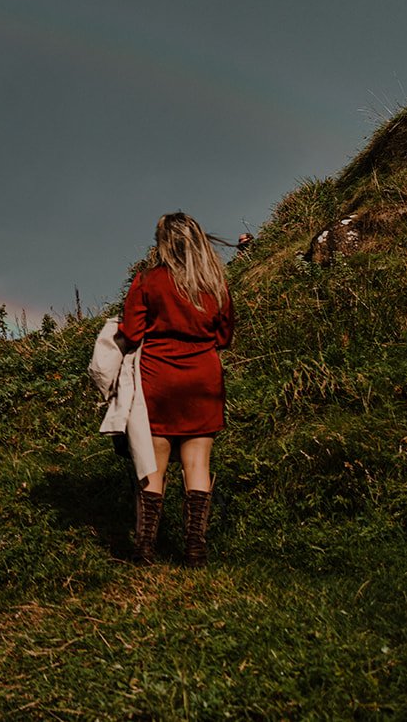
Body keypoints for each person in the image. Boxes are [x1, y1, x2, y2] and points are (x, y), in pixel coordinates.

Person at [118, 213, 234, 567]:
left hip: (158, 379)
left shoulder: (148, 281)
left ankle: (144, 549)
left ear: (163, 244)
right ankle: (195, 549)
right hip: (203, 378)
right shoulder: (215, 284)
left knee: (153, 467)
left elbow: (132, 333)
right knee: (198, 464)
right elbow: (224, 337)